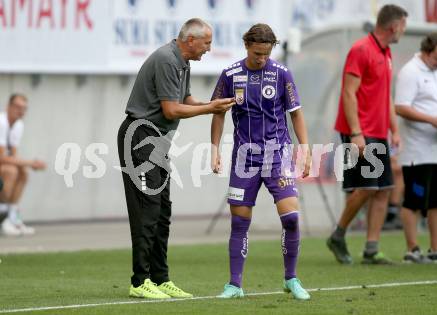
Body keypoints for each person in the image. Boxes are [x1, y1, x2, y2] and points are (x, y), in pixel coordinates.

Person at [117, 18, 235, 299]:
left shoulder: (182, 62)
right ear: (190, 40)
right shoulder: (167, 60)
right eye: (207, 43)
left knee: (162, 211)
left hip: (156, 143)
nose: (209, 48)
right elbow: (171, 110)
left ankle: (160, 279)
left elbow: (187, 99)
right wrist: (210, 109)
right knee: (147, 210)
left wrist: (213, 104)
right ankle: (139, 281)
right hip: (139, 137)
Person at [211, 23, 311, 300]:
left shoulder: (281, 74)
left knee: (291, 218)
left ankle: (291, 279)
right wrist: (214, 149)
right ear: (247, 46)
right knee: (239, 221)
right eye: (257, 54)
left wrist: (305, 148)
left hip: (277, 155)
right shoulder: (230, 74)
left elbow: (296, 114)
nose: (262, 59)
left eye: (266, 54)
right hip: (244, 158)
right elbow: (217, 113)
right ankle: (234, 285)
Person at [326, 4, 407, 265]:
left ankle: (371, 249)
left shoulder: (387, 53)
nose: (403, 31)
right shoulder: (361, 50)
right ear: (394, 26)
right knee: (366, 187)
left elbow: (385, 97)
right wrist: (356, 133)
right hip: (359, 131)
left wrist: (394, 129)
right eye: (403, 26)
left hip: (379, 132)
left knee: (383, 189)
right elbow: (348, 93)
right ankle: (338, 235)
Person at [395, 32, 437, 263]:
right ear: (427, 50)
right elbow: (401, 108)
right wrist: (432, 120)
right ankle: (412, 249)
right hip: (417, 152)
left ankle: (436, 250)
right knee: (414, 200)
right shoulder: (410, 72)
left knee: (436, 202)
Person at [0, 94, 46, 236]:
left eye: (24, 108)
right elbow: (2, 158)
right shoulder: (1, 122)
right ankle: (3, 217)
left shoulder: (18, 125)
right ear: (8, 106)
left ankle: (13, 217)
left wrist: (27, 165)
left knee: (22, 172)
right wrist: (31, 163)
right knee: (10, 171)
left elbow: (13, 155)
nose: (21, 111)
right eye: (17, 107)